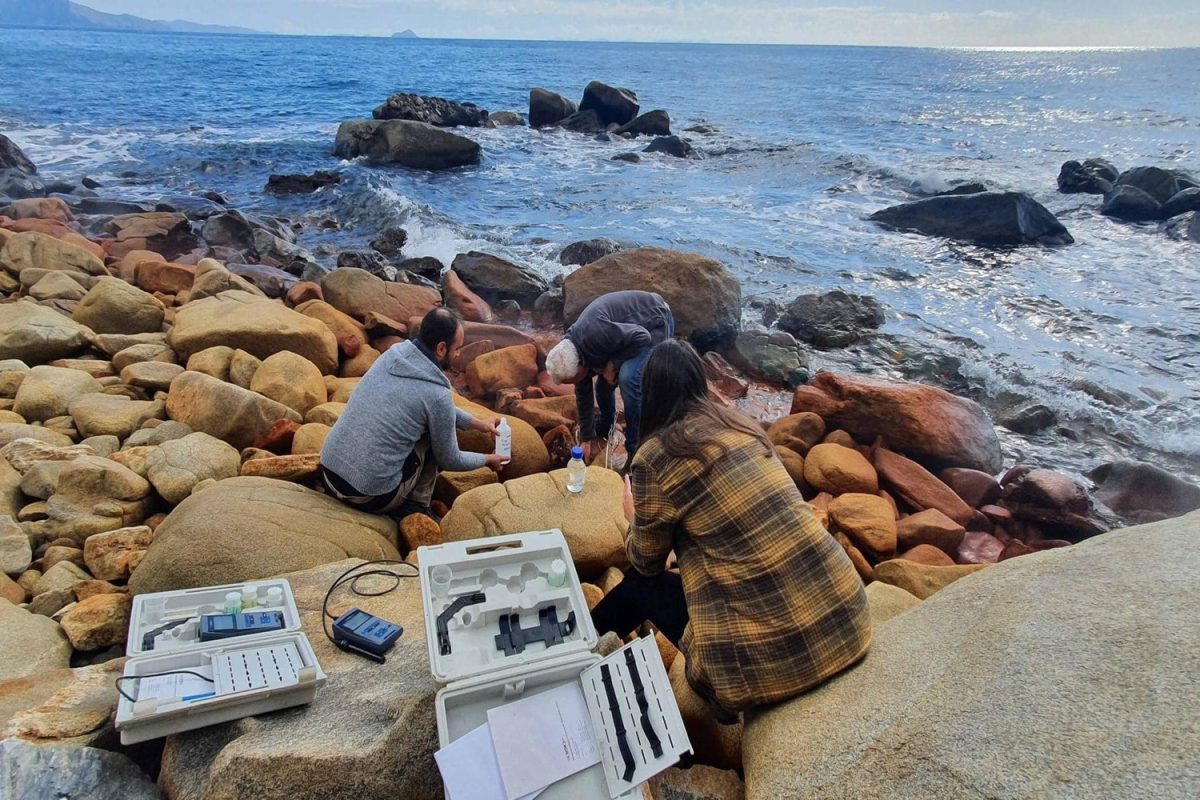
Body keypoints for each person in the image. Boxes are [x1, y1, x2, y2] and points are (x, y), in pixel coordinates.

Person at [590, 339, 871, 719]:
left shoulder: (656, 457)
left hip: (770, 662)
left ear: (648, 392)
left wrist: (631, 515)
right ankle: (587, 645)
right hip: (848, 619)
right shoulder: (745, 428)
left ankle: (577, 648)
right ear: (698, 381)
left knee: (640, 585)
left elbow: (646, 562)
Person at [319, 307, 507, 519]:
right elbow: (450, 459)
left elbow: (429, 406)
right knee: (432, 436)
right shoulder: (437, 394)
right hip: (369, 496)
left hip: (328, 472)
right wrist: (487, 460)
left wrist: (478, 424)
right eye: (457, 348)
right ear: (442, 348)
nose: (458, 354)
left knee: (426, 419)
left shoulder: (393, 356)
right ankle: (416, 506)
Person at [545, 290, 673, 461]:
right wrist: (586, 439)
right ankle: (606, 426)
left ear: (580, 365)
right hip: (630, 333)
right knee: (602, 386)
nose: (574, 384)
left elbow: (642, 337)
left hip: (657, 321)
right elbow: (583, 396)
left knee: (628, 378)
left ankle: (635, 446)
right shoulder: (573, 350)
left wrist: (612, 365)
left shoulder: (597, 334)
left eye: (573, 380)